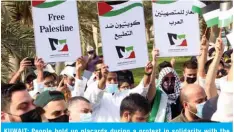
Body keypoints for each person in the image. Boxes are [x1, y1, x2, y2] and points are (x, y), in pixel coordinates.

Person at [83, 49, 156, 122]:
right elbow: (93, 97)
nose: (113, 82)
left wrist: (147, 74)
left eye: (115, 79)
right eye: (109, 79)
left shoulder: (123, 94)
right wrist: (104, 78)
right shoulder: (94, 92)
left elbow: (141, 89)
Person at [148, 49, 182, 122]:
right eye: (166, 79)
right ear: (161, 80)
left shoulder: (180, 95)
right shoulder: (156, 93)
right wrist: (154, 61)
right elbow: (151, 84)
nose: (169, 82)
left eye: (172, 79)